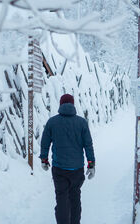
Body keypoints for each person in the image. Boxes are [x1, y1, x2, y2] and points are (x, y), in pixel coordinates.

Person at [39, 94, 95, 224]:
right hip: (77, 169)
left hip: (59, 169)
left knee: (62, 199)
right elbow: (88, 144)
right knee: (75, 198)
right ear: (73, 105)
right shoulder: (81, 122)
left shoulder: (52, 122)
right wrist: (91, 164)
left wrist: (44, 160)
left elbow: (45, 142)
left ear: (60, 105)